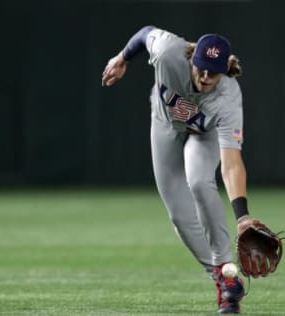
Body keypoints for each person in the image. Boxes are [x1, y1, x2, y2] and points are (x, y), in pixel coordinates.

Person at [102, 25, 257, 314]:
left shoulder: (228, 98)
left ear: (226, 69)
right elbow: (145, 33)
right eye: (201, 68)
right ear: (191, 57)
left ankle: (224, 272)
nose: (206, 76)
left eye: (214, 71)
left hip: (204, 134)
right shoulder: (168, 52)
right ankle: (221, 279)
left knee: (199, 181)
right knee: (178, 213)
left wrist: (243, 215)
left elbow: (232, 163)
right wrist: (122, 57)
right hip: (165, 124)